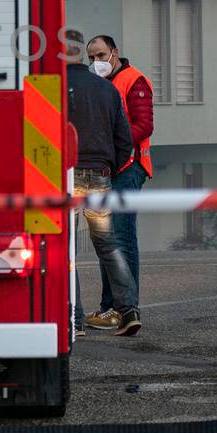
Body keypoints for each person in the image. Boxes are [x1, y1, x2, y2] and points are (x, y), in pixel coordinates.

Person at [63, 30, 136, 337]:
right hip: (101, 175)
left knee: (66, 250)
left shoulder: (52, 88)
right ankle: (128, 311)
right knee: (108, 245)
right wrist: (110, 167)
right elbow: (125, 139)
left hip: (66, 177)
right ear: (82, 53)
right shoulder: (107, 89)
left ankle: (74, 321)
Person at [86, 33, 152, 336]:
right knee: (107, 239)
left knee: (122, 239)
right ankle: (111, 308)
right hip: (110, 169)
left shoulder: (134, 80)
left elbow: (143, 125)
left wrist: (115, 150)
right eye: (91, 58)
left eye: (100, 56)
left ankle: (126, 309)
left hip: (128, 168)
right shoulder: (104, 85)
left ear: (114, 53)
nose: (96, 63)